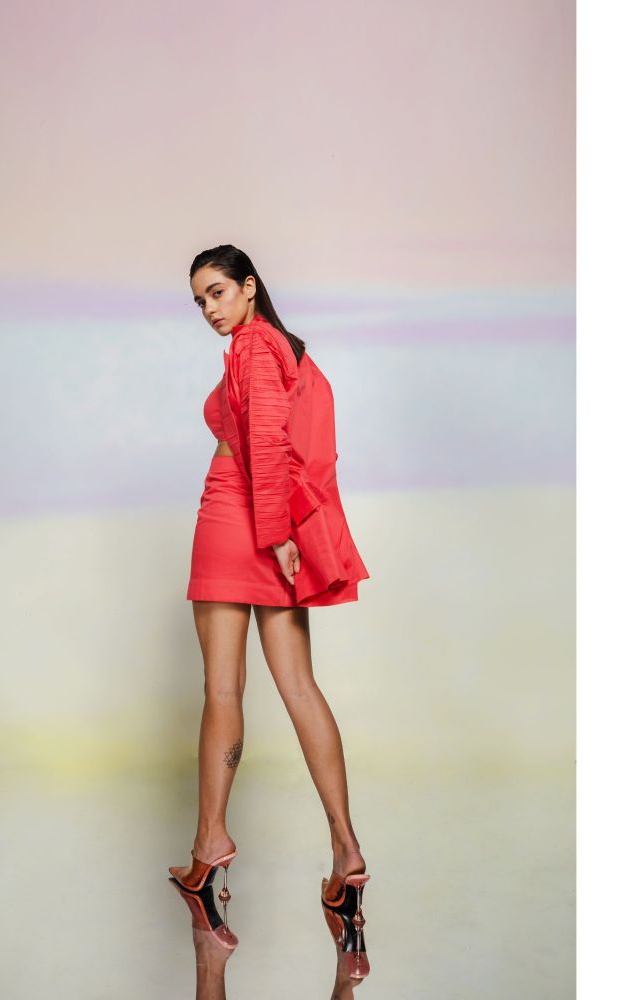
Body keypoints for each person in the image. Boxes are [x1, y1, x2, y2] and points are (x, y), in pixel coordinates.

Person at [169, 245, 372, 956]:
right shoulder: (278, 346)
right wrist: (281, 528)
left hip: (238, 517)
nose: (209, 309)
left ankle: (209, 848)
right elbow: (282, 439)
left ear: (250, 287)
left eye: (218, 292)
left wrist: (277, 533)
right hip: (264, 517)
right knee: (298, 685)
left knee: (223, 689)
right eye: (200, 300)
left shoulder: (254, 347)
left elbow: (263, 440)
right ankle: (346, 853)